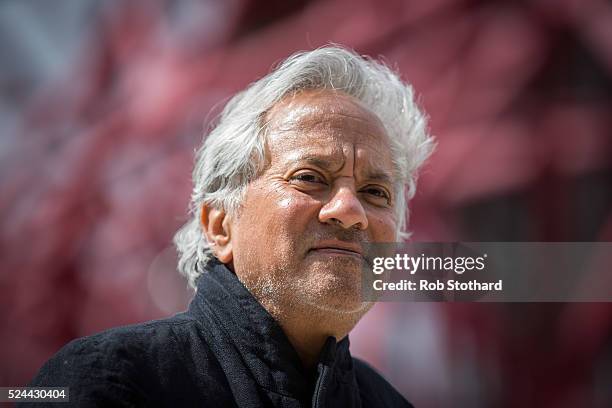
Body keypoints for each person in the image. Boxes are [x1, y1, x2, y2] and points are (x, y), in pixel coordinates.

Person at [23, 45, 435, 407]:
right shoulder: (108, 382)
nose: (350, 210)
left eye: (376, 192)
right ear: (219, 225)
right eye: (310, 177)